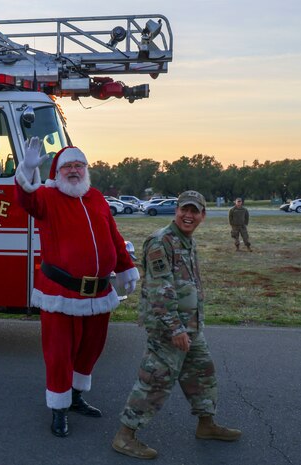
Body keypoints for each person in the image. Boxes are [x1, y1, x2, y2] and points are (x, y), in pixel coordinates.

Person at [15, 137, 140, 438]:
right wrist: (26, 171)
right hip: (60, 292)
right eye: (67, 166)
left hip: (99, 292)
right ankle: (58, 408)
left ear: (86, 169)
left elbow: (113, 235)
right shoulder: (47, 196)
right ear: (56, 172)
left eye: (79, 165)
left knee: (90, 348)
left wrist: (125, 268)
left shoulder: (96, 197)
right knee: (60, 353)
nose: (74, 170)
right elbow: (26, 199)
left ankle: (76, 396)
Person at [112, 190, 241, 460]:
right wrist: (175, 328)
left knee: (202, 373)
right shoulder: (162, 242)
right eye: (185, 209)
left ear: (203, 216)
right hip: (168, 328)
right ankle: (125, 436)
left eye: (195, 211)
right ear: (176, 210)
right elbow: (161, 289)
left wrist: (191, 324)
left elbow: (188, 284)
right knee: (155, 381)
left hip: (190, 326)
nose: (189, 215)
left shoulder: (186, 241)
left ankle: (206, 425)